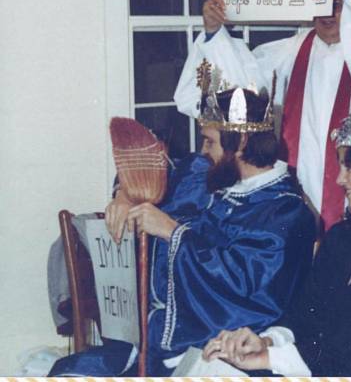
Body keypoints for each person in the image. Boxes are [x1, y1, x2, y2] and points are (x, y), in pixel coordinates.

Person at [50, 82, 315, 376]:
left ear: (240, 143)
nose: (203, 151)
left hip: (210, 347)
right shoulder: (212, 174)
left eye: (210, 142)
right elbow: (157, 168)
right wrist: (124, 195)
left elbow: (242, 286)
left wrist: (172, 232)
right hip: (149, 338)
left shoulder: (285, 212)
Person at [203, 106, 351, 376]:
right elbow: (305, 311)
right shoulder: (342, 237)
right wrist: (267, 341)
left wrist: (270, 359)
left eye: (348, 167)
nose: (340, 179)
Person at [174, 0, 351, 230]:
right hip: (295, 190)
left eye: (337, 5)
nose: (327, 14)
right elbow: (233, 93)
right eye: (320, 4)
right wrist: (214, 33)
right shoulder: (284, 53)